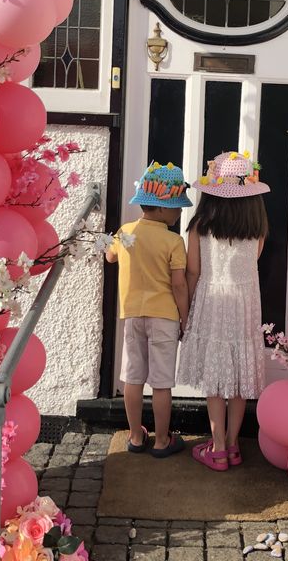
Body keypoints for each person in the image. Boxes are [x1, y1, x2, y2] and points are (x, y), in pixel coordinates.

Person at [177, 151, 270, 471]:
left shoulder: (200, 225)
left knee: (217, 379)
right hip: (245, 304)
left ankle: (216, 448)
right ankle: (231, 445)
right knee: (239, 376)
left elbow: (192, 271)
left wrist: (185, 311)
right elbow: (252, 262)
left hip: (213, 301)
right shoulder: (257, 227)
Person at [106, 161, 191, 458]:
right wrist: (185, 317)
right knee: (162, 382)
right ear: (164, 208)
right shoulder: (173, 241)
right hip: (165, 316)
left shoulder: (126, 232)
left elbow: (110, 257)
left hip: (132, 314)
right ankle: (162, 440)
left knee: (132, 377)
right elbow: (179, 285)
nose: (179, 212)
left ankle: (135, 436)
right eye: (177, 207)